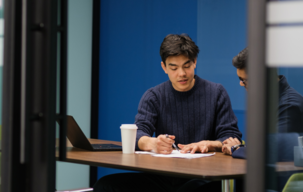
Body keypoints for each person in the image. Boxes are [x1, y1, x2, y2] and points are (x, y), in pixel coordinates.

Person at [93, 34, 242, 192]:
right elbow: (138, 133)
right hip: (161, 176)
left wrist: (209, 144)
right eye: (174, 68)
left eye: (186, 66)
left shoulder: (216, 93)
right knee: (105, 185)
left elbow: (231, 137)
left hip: (201, 176)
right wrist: (153, 143)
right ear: (164, 67)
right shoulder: (154, 96)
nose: (181, 73)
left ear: (195, 62)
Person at [221, 47, 303, 192]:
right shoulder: (267, 100)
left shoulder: (290, 104)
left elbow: (272, 150)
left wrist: (237, 148)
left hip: (280, 183)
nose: (241, 84)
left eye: (244, 80)